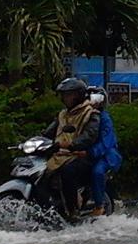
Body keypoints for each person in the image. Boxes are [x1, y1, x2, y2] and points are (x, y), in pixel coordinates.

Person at [42, 77, 101, 218]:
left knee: (68, 171)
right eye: (64, 95)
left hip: (81, 155)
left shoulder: (90, 113)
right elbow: (48, 132)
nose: (66, 98)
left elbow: (89, 136)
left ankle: (72, 209)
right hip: (60, 154)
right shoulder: (63, 114)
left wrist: (72, 145)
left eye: (70, 94)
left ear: (79, 95)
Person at [87, 87, 123, 216]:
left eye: (96, 99)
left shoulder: (104, 119)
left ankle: (99, 205)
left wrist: (90, 152)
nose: (93, 103)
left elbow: (106, 143)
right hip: (84, 153)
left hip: (107, 156)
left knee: (97, 172)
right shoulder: (81, 116)